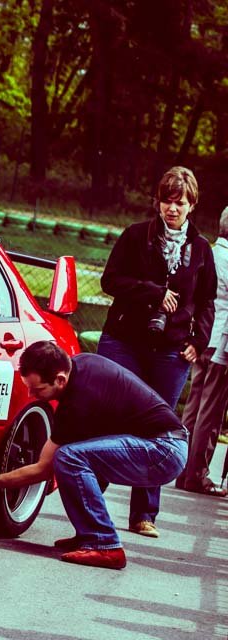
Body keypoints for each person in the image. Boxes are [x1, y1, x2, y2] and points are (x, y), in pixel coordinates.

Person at [0, 341, 188, 570]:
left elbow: (43, 469)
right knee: (76, 455)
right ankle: (88, 535)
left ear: (60, 379)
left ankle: (104, 544)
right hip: (162, 443)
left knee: (68, 457)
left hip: (163, 450)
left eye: (38, 390)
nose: (31, 395)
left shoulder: (78, 401)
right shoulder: (81, 365)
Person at [96, 166, 216, 537]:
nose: (172, 209)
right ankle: (91, 496)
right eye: (166, 201)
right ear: (158, 202)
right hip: (125, 340)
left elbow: (208, 300)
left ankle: (144, 513)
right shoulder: (135, 236)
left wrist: (198, 342)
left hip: (171, 350)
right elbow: (109, 280)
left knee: (158, 428)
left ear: (192, 205)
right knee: (108, 414)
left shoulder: (201, 250)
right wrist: (152, 292)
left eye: (179, 202)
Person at [177, 206, 228, 497]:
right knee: (211, 411)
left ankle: (184, 468)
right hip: (221, 340)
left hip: (204, 336)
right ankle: (198, 473)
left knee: (194, 406)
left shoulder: (210, 252)